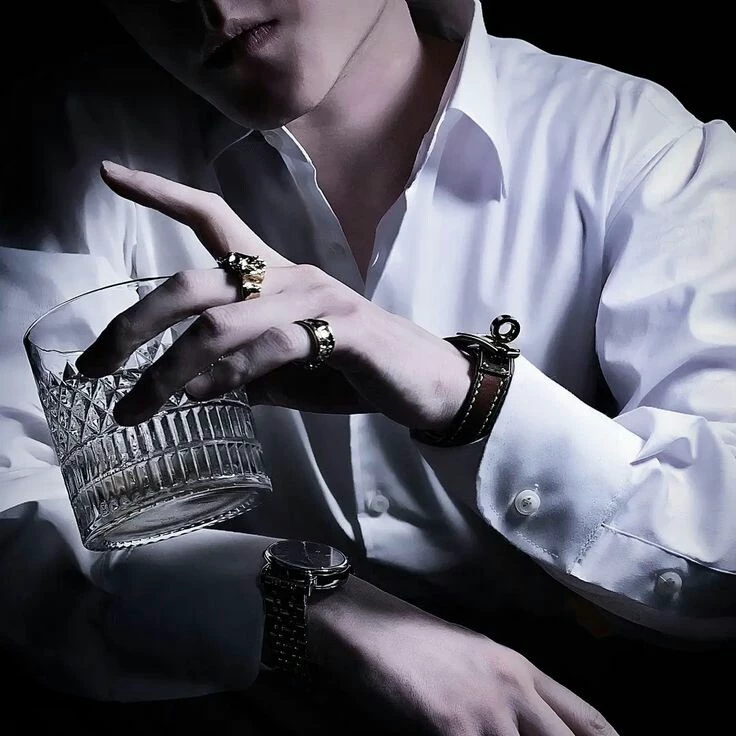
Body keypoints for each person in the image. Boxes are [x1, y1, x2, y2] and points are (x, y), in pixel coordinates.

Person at [1, 0, 734, 733]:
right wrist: (303, 604)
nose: (212, 7)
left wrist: (466, 395)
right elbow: (11, 507)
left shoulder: (634, 144)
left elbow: (722, 567)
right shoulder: (78, 145)